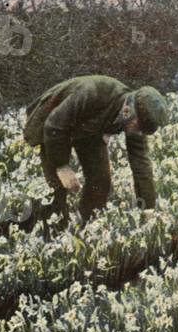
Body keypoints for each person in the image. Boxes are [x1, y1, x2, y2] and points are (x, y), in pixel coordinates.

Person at [22, 75, 169, 228]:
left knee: (101, 180)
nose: (137, 132)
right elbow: (54, 125)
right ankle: (50, 233)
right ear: (128, 110)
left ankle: (87, 226)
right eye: (137, 126)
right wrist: (62, 166)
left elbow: (141, 165)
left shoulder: (136, 121)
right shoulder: (92, 92)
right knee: (57, 186)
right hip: (52, 124)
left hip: (89, 128)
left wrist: (148, 208)